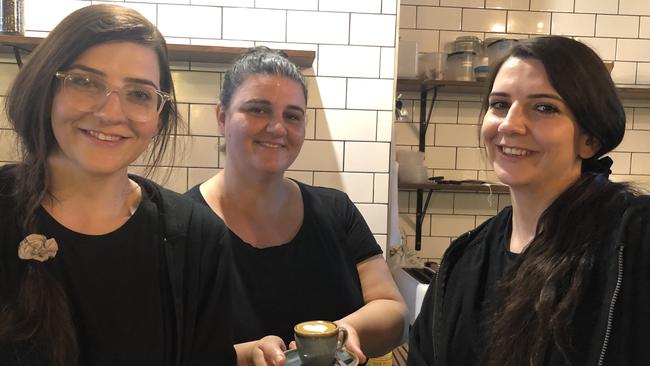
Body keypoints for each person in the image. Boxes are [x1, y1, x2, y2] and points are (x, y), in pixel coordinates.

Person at [0, 5, 236, 365]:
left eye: (139, 94)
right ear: (46, 89)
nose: (111, 113)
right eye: (84, 81)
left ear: (158, 116)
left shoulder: (198, 239)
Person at [407, 36, 650, 366]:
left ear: (590, 139)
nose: (509, 124)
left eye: (544, 107)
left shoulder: (634, 239)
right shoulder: (464, 258)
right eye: (500, 104)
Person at [185, 47, 407, 365]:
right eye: (258, 110)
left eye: (292, 115)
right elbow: (170, 348)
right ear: (222, 118)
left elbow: (393, 311)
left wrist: (343, 331)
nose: (277, 128)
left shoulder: (336, 210)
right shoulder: (183, 225)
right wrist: (248, 356)